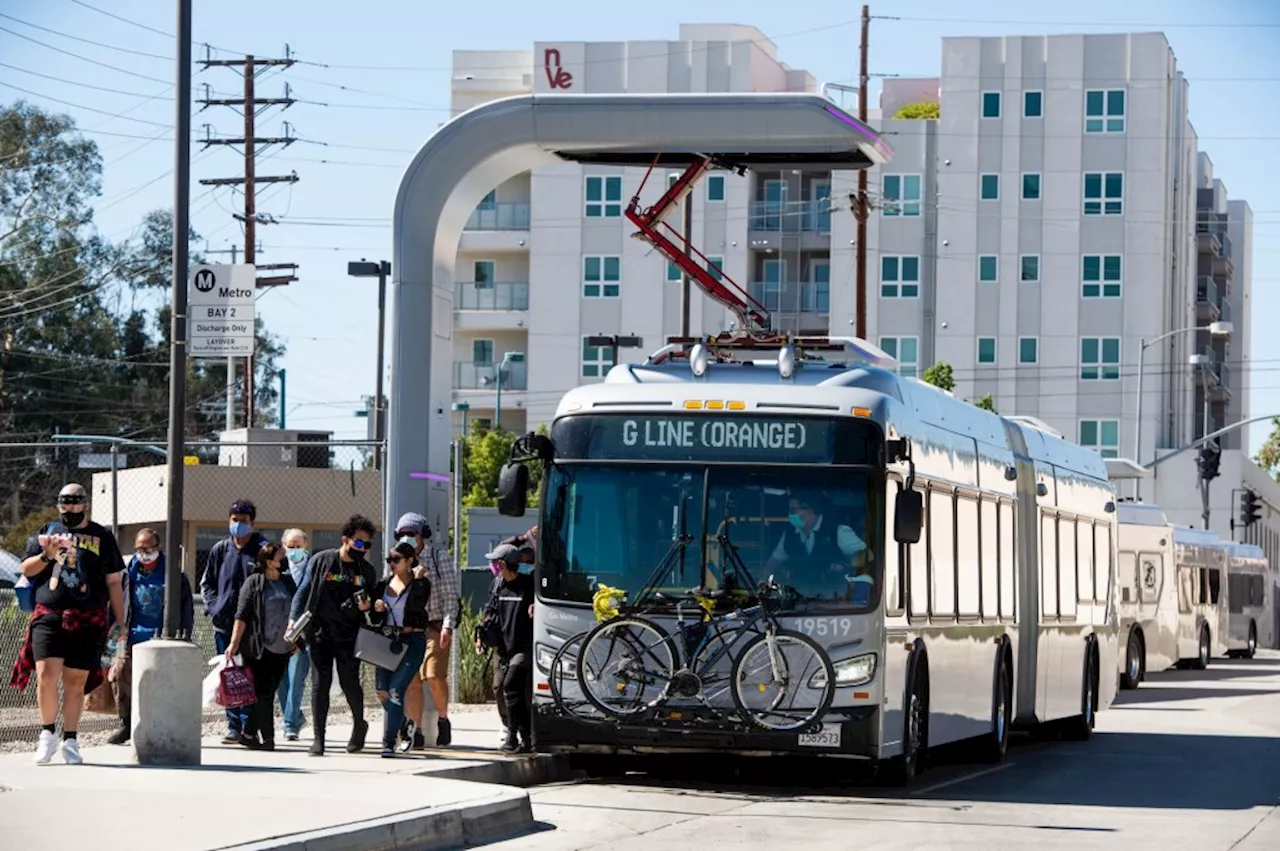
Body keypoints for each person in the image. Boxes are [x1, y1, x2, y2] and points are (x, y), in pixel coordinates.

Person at [9, 483, 126, 765]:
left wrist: (120, 621)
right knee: (46, 674)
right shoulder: (46, 532)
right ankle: (47, 734)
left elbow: (113, 581)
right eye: (64, 501)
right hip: (49, 612)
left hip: (89, 616)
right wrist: (46, 555)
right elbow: (25, 569)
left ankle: (70, 740)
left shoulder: (102, 536)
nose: (69, 506)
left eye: (74, 501)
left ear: (85, 504)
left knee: (75, 682)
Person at [289, 514, 378, 756]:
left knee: (350, 683)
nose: (363, 548)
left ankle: (359, 724)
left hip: (350, 635)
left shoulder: (366, 571)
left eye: (367, 544)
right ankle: (319, 738)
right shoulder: (322, 561)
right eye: (359, 543)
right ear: (345, 539)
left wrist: (368, 606)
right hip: (319, 633)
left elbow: (375, 602)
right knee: (320, 684)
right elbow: (303, 591)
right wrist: (292, 621)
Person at [107, 527, 195, 745]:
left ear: (158, 547)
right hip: (130, 636)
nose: (143, 553)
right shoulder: (129, 572)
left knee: (158, 685)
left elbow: (186, 607)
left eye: (148, 548)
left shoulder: (173, 575)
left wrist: (184, 633)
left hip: (159, 639)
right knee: (120, 677)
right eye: (139, 548)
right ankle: (127, 724)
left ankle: (156, 724)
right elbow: (117, 600)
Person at [200, 499, 266, 744]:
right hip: (223, 624)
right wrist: (215, 606)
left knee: (248, 674)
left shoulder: (261, 549)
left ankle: (250, 724)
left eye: (244, 521)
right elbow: (207, 583)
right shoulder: (220, 549)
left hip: (251, 628)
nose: (238, 525)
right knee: (228, 674)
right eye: (234, 520)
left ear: (253, 522)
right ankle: (233, 725)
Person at [224, 542, 298, 751]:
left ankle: (248, 733)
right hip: (258, 647)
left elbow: (297, 611)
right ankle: (268, 738)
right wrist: (234, 643)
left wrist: (297, 640)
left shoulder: (287, 582)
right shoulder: (254, 582)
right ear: (269, 561)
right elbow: (242, 614)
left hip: (283, 647)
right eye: (281, 556)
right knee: (263, 693)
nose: (284, 560)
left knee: (267, 692)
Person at [396, 512, 460, 751]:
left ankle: (443, 720)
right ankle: (417, 730)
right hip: (408, 628)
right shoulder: (398, 558)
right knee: (412, 680)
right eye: (402, 534)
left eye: (410, 533)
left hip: (434, 624)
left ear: (422, 535)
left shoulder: (438, 556)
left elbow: (450, 595)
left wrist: (447, 625)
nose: (406, 538)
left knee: (433, 675)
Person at [369, 541, 431, 758]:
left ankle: (389, 742)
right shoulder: (382, 585)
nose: (391, 564)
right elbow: (375, 618)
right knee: (382, 691)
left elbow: (419, 603)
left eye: (396, 560)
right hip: (387, 639)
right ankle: (404, 723)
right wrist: (376, 609)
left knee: (396, 690)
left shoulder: (420, 584)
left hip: (412, 639)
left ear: (410, 561)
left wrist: (419, 578)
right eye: (389, 560)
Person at [477, 543, 535, 753]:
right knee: (499, 688)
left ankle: (518, 736)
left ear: (503, 564)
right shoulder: (498, 583)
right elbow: (490, 611)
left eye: (496, 562)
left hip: (523, 647)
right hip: (502, 647)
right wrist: (481, 634)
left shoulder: (528, 585)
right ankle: (518, 732)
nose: (494, 566)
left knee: (512, 686)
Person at [763, 493, 869, 602]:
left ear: (808, 511)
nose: (790, 515)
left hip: (835, 603)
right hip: (798, 603)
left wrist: (844, 565)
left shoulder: (838, 532)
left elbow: (866, 556)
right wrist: (763, 585)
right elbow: (773, 563)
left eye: (793, 511)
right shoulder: (790, 536)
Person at [276, 528, 311, 741]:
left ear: (306, 546)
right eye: (290, 546)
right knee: (281, 680)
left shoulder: (312, 569)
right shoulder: (279, 570)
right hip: (279, 635)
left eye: (299, 546)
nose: (295, 550)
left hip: (304, 635)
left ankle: (290, 725)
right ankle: (296, 716)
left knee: (296, 678)